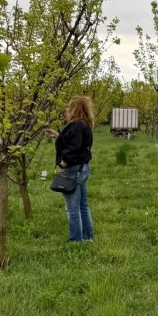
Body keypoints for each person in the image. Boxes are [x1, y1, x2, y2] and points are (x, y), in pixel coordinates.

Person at [44, 96, 95, 242]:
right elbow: (75, 142)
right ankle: (87, 236)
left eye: (69, 107)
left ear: (75, 109)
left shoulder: (76, 125)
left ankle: (76, 241)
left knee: (72, 208)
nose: (67, 109)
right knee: (82, 205)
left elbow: (73, 148)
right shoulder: (83, 125)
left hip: (73, 170)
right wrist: (58, 136)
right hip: (82, 168)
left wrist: (63, 163)